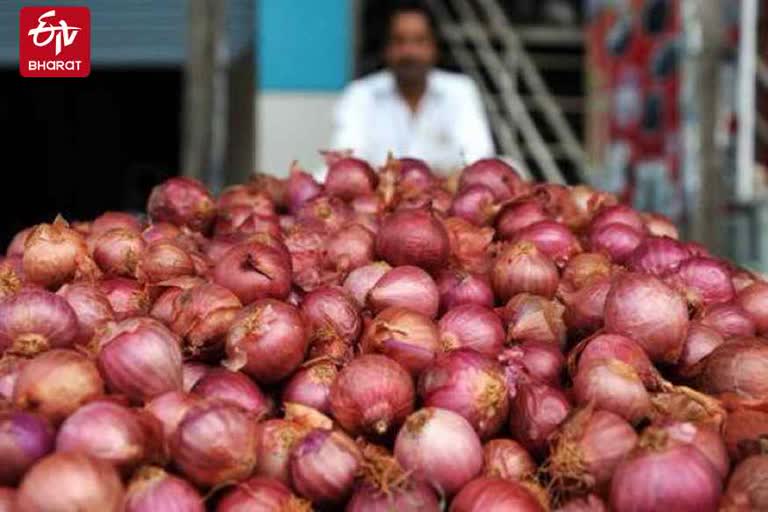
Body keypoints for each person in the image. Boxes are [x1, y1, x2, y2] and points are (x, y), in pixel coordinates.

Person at [330, 1, 494, 174]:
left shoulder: (459, 91)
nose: (409, 52)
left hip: (447, 197)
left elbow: (479, 158)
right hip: (379, 197)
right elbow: (345, 163)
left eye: (419, 41)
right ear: (386, 49)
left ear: (434, 47)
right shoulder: (360, 94)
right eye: (399, 41)